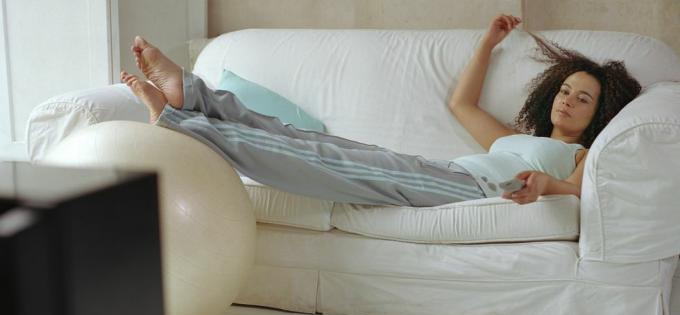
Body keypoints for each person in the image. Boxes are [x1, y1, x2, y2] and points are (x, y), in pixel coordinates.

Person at [120, 14, 641, 207]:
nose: (568, 99)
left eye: (583, 97)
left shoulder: (582, 154)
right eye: (565, 89)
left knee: (315, 162)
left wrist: (546, 186)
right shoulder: (510, 136)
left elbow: (585, 192)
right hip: (442, 172)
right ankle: (193, 93)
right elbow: (462, 103)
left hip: (467, 191)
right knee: (307, 142)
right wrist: (488, 41)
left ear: (597, 114)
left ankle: (176, 120)